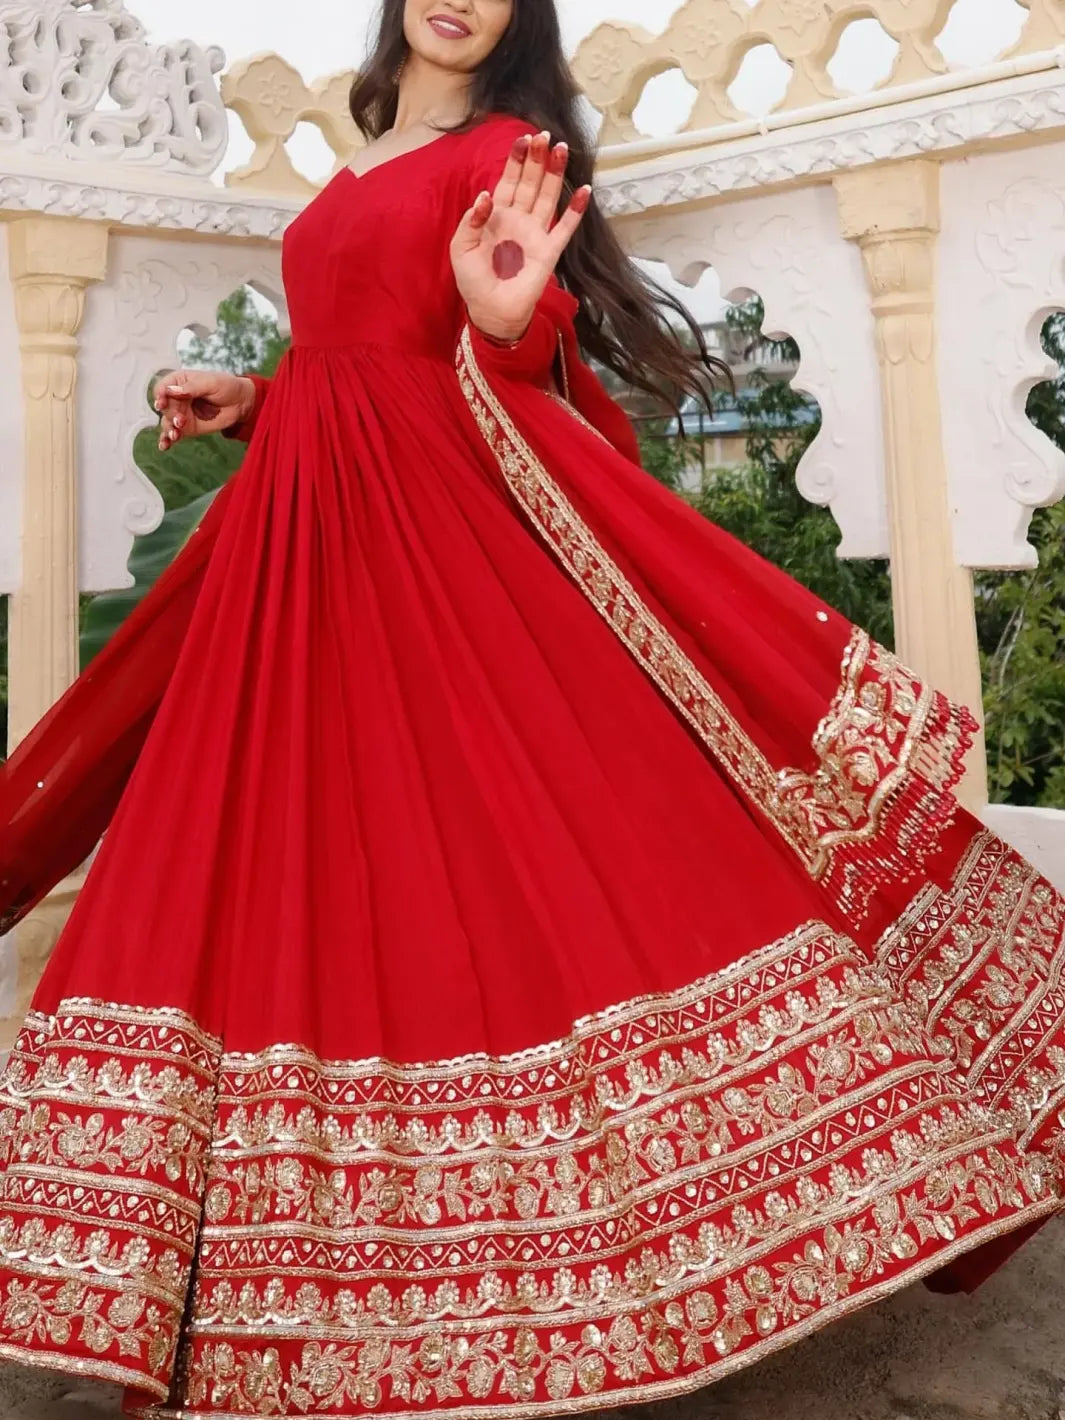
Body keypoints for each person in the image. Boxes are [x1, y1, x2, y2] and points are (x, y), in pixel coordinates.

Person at [0, 0, 1061, 1413]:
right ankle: (268, 1268)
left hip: (429, 563)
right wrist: (256, 395)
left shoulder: (510, 151)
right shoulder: (367, 158)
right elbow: (357, 359)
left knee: (494, 865)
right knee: (306, 865)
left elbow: (514, 356)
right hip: (310, 551)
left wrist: (500, 328)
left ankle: (576, 1248)